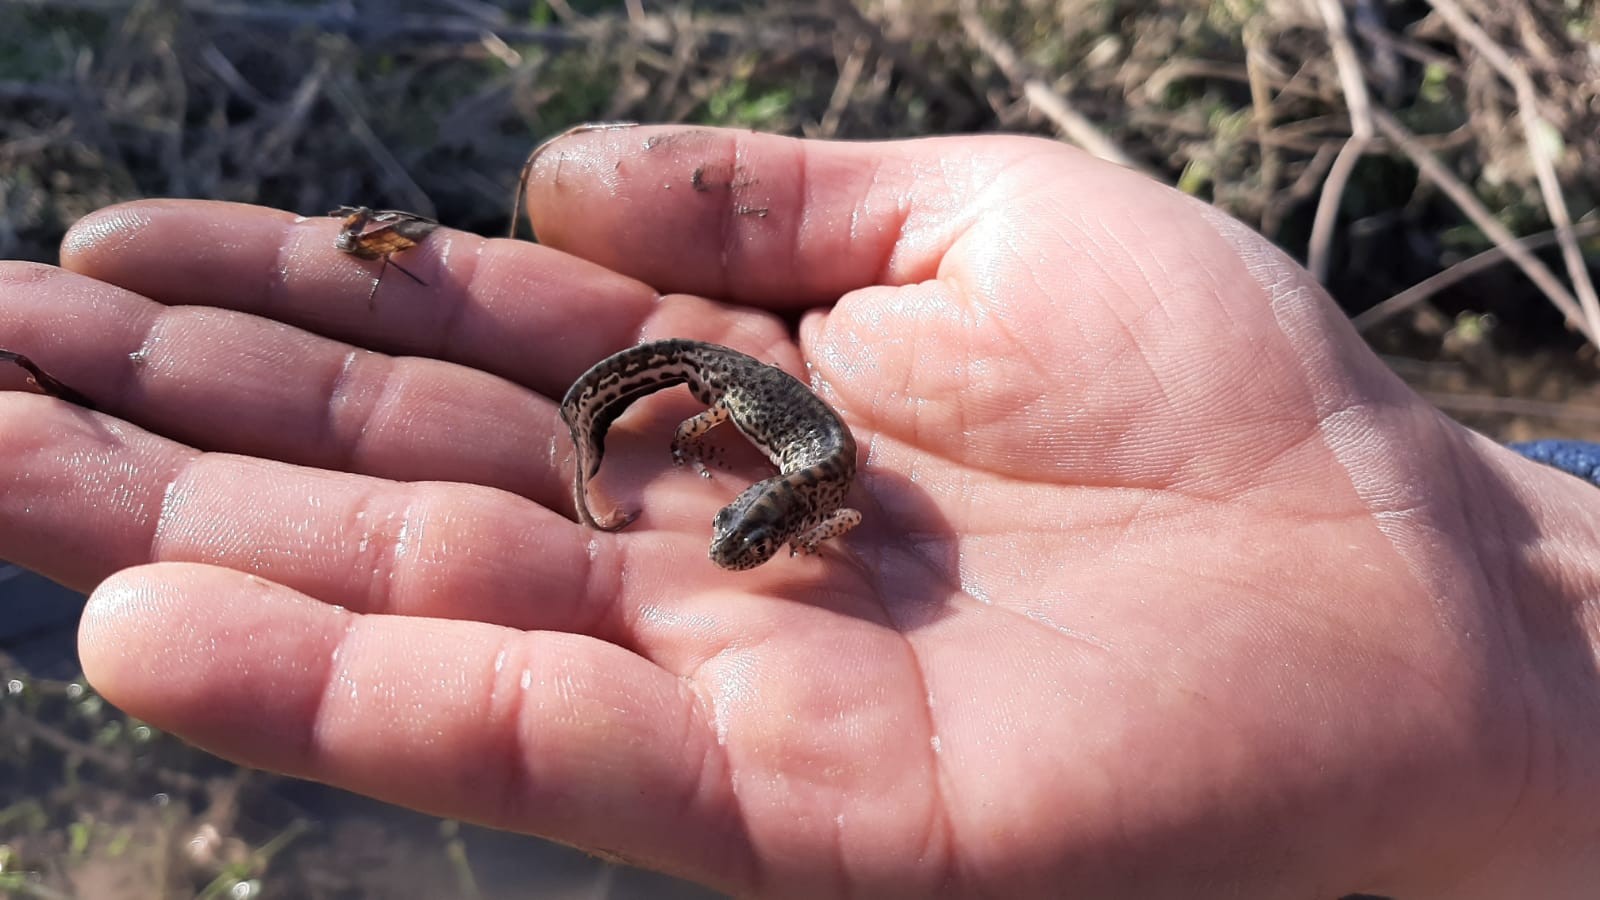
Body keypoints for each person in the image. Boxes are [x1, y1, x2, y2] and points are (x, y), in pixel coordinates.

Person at [1, 126, 1596, 898]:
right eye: (758, 533)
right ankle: (588, 443)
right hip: (708, 377)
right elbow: (715, 424)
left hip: (754, 409)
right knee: (616, 407)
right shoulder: (758, 445)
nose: (753, 550)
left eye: (760, 536)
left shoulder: (821, 494)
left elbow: (806, 494)